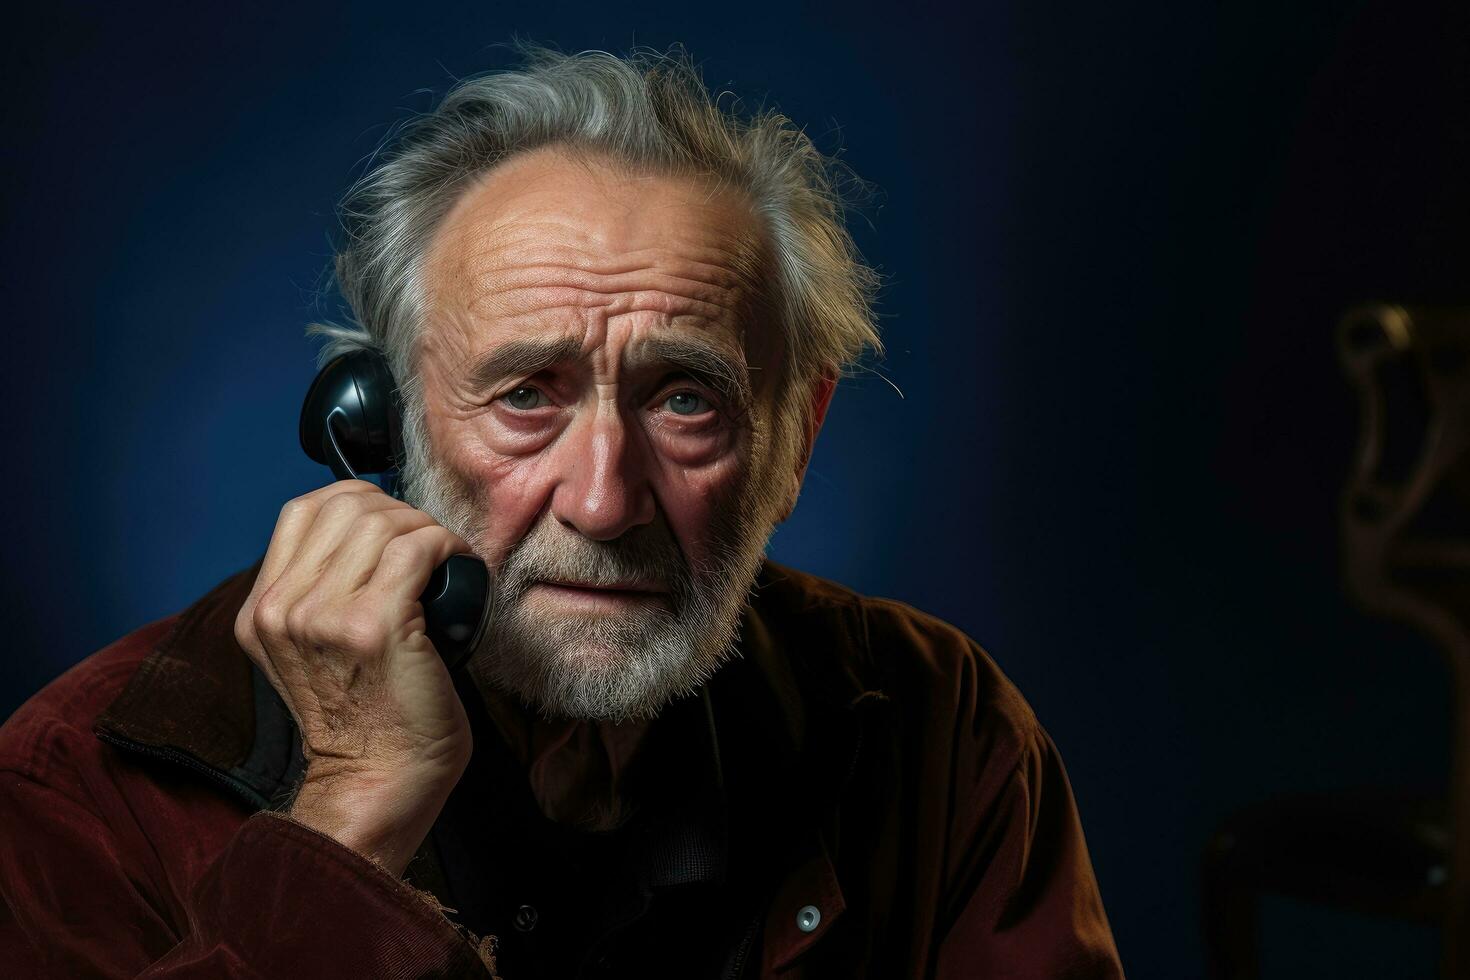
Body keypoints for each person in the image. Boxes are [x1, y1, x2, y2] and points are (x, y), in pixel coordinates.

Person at [0, 46, 1124, 979]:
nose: (600, 499)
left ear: (798, 437)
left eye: (687, 398)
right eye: (526, 394)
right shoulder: (80, 786)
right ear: (386, 424)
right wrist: (344, 821)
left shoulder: (939, 727)